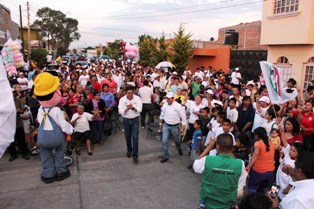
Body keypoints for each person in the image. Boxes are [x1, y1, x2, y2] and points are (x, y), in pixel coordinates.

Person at [193, 133, 247, 209]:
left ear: (217, 147)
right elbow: (239, 189)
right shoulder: (240, 164)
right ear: (232, 149)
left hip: (207, 202)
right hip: (227, 204)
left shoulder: (208, 160)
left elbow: (196, 166)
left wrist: (209, 147)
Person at [276, 125, 305, 200]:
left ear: (299, 153)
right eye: (291, 149)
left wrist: (288, 188)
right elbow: (285, 142)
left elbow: (294, 178)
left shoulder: (297, 164)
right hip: (277, 181)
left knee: (282, 200)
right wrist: (282, 131)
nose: (290, 151)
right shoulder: (288, 154)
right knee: (274, 196)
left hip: (285, 186)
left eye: (293, 151)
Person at [159, 91, 186, 163]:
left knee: (177, 140)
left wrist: (182, 128)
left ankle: (179, 148)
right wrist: (161, 124)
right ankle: (165, 156)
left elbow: (183, 118)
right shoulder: (165, 105)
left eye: (170, 98)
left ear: (173, 98)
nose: (168, 100)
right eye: (167, 98)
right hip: (166, 125)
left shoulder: (178, 106)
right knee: (164, 141)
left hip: (175, 126)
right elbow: (162, 115)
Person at [246, 127, 275, 194]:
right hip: (270, 172)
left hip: (258, 171)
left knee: (252, 188)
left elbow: (255, 154)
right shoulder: (270, 142)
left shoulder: (258, 143)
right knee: (262, 189)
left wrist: (249, 167)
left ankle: (250, 203)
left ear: (257, 135)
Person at [118, 86, 143, 163]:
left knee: (135, 137)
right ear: (125, 93)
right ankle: (129, 149)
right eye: (128, 93)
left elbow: (140, 109)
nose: (130, 94)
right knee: (127, 136)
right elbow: (120, 110)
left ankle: (135, 155)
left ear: (133, 92)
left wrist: (133, 108)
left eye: (131, 93)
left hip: (135, 119)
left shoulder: (137, 98)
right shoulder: (122, 99)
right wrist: (126, 109)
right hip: (126, 120)